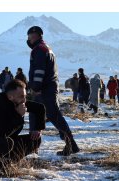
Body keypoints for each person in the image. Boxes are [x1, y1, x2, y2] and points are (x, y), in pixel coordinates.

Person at [0, 79, 45, 176]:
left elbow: (40, 108)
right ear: (10, 96)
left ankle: (7, 161)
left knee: (35, 139)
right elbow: (2, 132)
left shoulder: (18, 102)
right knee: (6, 142)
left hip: (3, 142)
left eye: (25, 96)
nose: (24, 100)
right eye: (22, 96)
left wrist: (37, 129)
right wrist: (18, 115)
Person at [26, 25, 80, 156]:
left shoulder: (39, 49)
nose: (30, 39)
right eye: (29, 37)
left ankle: (34, 146)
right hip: (48, 88)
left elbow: (39, 70)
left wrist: (35, 87)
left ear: (39, 36)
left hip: (43, 89)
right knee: (50, 116)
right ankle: (70, 144)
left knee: (45, 115)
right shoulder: (46, 49)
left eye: (32, 37)